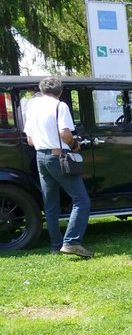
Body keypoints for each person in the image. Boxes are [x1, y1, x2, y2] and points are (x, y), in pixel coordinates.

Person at [24, 77, 93, 258]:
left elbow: (29, 140)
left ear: (41, 89)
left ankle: (56, 245)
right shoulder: (59, 106)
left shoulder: (32, 107)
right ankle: (72, 242)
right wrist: (74, 145)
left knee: (51, 203)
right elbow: (65, 133)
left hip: (40, 156)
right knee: (81, 200)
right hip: (58, 156)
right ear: (60, 92)